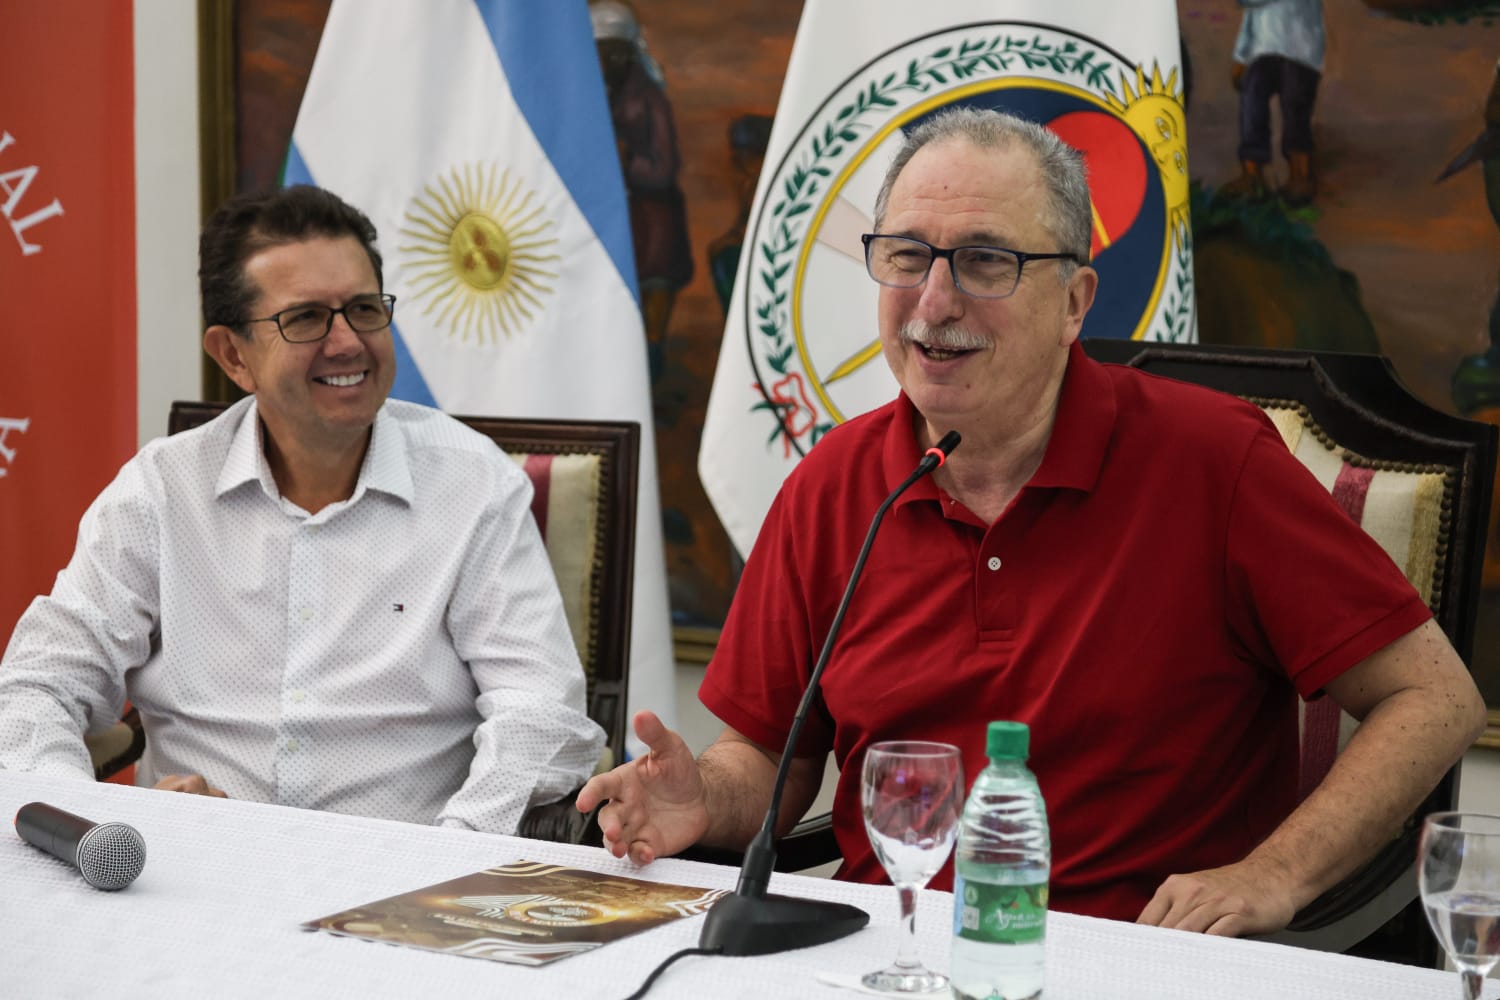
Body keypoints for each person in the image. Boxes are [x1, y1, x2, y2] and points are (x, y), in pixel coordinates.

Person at [577, 107, 1486, 935]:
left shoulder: (1217, 462)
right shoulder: (835, 483)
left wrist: (1272, 875)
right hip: (883, 953)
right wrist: (705, 796)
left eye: (985, 261)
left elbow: (1435, 698)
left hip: (1144, 963)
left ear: (1075, 303)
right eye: (906, 255)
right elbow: (767, 757)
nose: (935, 302)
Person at [0, 185, 604, 834]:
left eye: (364, 309)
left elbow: (542, 717)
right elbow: (37, 687)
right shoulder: (162, 491)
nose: (348, 343)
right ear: (234, 356)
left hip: (403, 883)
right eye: (307, 319)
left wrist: (447, 862)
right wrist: (93, 821)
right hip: (191, 870)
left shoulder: (474, 485)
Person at [1224, 0, 1325, 205]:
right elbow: (1250, 18)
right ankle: (1252, 175)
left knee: (1295, 107)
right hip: (1262, 51)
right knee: (1251, 103)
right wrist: (1241, 56)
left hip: (1300, 50)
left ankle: (1300, 175)